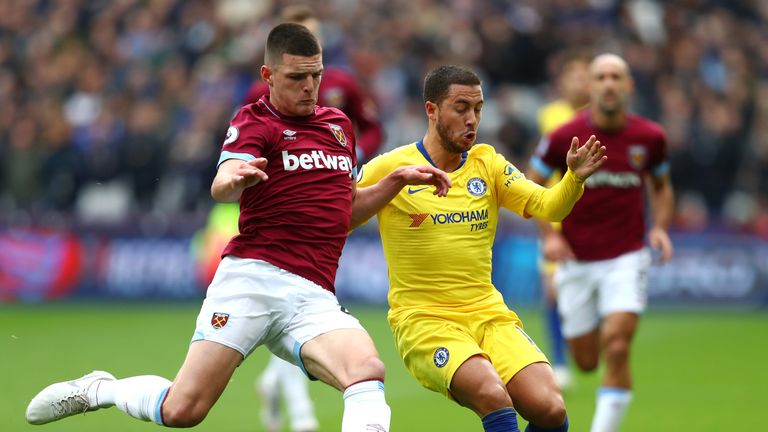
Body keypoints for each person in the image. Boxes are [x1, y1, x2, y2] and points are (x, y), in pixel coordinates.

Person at [25, 23, 450, 431]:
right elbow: (224, 179)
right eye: (297, 76)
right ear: (268, 75)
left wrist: (392, 183)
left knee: (366, 372)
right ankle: (103, 388)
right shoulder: (255, 121)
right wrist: (232, 179)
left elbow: (343, 213)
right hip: (252, 282)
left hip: (313, 294)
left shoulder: (338, 127)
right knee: (183, 410)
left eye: (316, 76)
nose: (309, 86)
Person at [354, 65, 606, 432]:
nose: (472, 119)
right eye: (461, 108)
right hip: (425, 321)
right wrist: (391, 185)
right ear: (432, 110)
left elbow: (548, 206)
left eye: (478, 109)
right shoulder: (392, 168)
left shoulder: (488, 163)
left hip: (488, 313)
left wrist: (573, 179)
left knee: (550, 409)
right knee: (492, 394)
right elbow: (341, 217)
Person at [243, 6, 385, 431]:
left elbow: (372, 126)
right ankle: (301, 414)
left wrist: (355, 157)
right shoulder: (258, 94)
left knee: (304, 304)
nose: (309, 80)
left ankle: (275, 384)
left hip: (331, 200)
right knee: (297, 301)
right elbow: (248, 138)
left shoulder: (342, 85)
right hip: (281, 215)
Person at [526, 53, 674, 432]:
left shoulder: (650, 137)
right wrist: (549, 236)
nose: (609, 83)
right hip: (576, 259)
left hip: (627, 256)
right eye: (601, 77)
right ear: (590, 87)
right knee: (587, 360)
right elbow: (531, 184)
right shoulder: (564, 137)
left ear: (628, 86)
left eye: (616, 77)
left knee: (618, 345)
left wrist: (659, 227)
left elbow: (661, 187)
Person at [534, 51, 591, 389]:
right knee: (553, 292)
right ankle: (559, 359)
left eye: (584, 77)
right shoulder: (550, 116)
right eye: (572, 77)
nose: (577, 83)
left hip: (593, 217)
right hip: (558, 214)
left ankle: (584, 343)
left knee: (589, 293)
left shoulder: (602, 119)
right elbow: (540, 165)